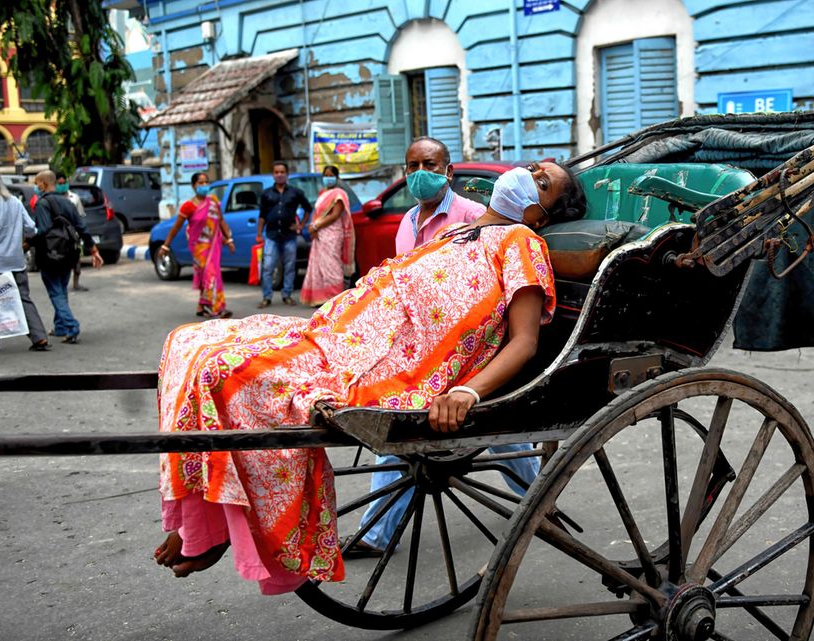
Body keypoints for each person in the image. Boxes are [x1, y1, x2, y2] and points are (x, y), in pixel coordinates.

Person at [151, 160, 586, 595]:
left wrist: (467, 392)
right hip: (342, 331)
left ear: (539, 216)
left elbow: (524, 342)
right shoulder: (459, 229)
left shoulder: (522, 241)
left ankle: (212, 531)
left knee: (225, 374)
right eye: (532, 168)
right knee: (187, 342)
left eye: (541, 183)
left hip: (385, 364)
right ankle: (198, 521)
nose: (525, 175)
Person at [345, 137, 540, 557]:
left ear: (448, 172)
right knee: (505, 435)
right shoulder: (407, 222)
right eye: (413, 166)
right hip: (421, 336)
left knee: (408, 417)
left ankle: (540, 496)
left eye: (429, 165)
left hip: (464, 341)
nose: (420, 173)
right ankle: (540, 494)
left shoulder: (474, 217)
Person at [0, 168, 50, 353]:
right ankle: (39, 337)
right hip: (16, 261)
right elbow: (31, 228)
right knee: (23, 299)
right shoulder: (14, 201)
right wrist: (23, 246)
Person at [29, 170, 104, 344]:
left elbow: (43, 230)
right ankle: (60, 326)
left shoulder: (42, 204)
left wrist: (28, 242)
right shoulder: (68, 202)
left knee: (56, 292)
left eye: (37, 183)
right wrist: (93, 249)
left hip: (49, 254)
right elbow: (82, 227)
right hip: (68, 253)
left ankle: (71, 326)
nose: (36, 186)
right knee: (61, 290)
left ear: (44, 184)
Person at [158, 172, 235, 318]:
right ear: (194, 186)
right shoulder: (188, 206)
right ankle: (218, 308)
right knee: (211, 275)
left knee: (207, 275)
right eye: (201, 182)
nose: (204, 185)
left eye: (206, 182)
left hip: (214, 245)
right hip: (199, 248)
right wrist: (165, 246)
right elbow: (176, 227)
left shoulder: (213, 201)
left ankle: (202, 305)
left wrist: (229, 240)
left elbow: (220, 221)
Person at [256, 161, 312, 307]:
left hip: (289, 236)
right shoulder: (266, 194)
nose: (279, 175)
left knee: (290, 266)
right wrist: (259, 234)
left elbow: (308, 208)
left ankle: (287, 294)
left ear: (287, 174)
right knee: (268, 266)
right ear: (273, 175)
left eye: (282, 172)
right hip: (271, 235)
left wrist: (301, 225)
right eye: (276, 172)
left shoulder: (295, 192)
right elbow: (262, 215)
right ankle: (267, 296)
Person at [299, 165, 355, 306]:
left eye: (331, 176)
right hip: (320, 233)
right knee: (320, 266)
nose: (328, 178)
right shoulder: (323, 193)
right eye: (326, 175)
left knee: (332, 265)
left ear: (336, 178)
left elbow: (335, 215)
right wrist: (314, 227)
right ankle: (322, 298)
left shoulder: (339, 194)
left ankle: (336, 297)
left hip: (332, 233)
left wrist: (316, 226)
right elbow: (318, 214)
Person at [55, 173, 88, 292]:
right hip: (58, 235)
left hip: (73, 235)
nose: (62, 185)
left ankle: (76, 283)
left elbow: (80, 216)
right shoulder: (53, 199)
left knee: (76, 259)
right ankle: (60, 284)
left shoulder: (74, 198)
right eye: (60, 184)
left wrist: (80, 233)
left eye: (64, 183)